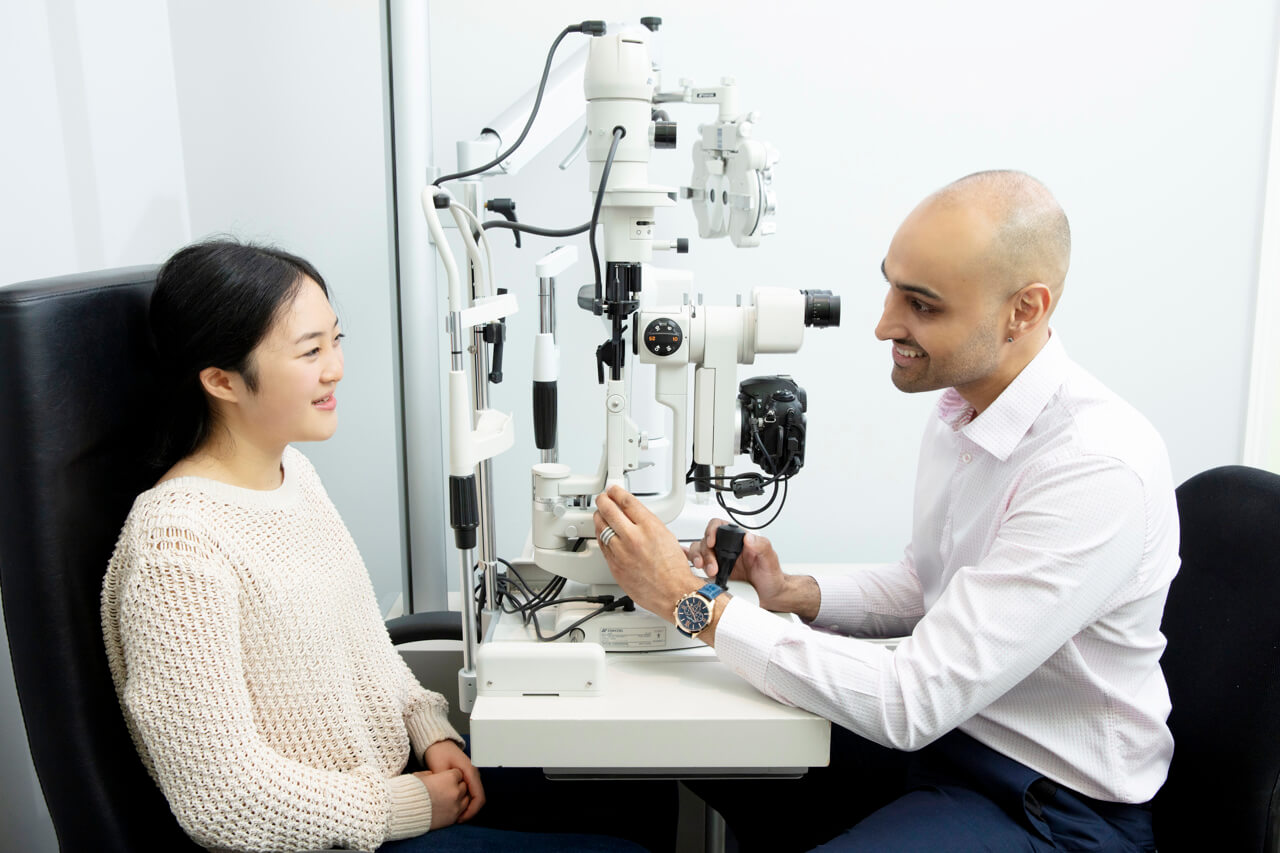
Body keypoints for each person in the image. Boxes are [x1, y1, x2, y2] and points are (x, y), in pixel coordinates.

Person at [592, 170, 1178, 852]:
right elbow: (930, 581)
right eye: (892, 286)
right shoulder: (964, 407)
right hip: (950, 740)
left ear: (1023, 310)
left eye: (922, 305)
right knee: (681, 751)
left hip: (1047, 804)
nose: (883, 324)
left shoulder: (1092, 468)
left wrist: (690, 603)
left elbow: (911, 701)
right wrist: (794, 593)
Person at [101, 239, 670, 852]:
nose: (335, 367)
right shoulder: (176, 547)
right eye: (310, 351)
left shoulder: (293, 475)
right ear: (221, 380)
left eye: (335, 341)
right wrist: (405, 805)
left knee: (641, 786)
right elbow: (222, 798)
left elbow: (365, 650)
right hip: (325, 833)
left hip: (385, 779)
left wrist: (432, 732)